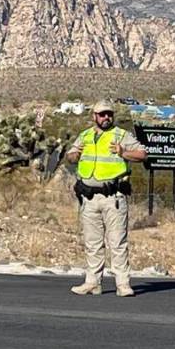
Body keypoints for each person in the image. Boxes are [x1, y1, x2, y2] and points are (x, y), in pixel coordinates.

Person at [65, 100, 147, 297]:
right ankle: (93, 282)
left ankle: (123, 284)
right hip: (89, 197)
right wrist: (74, 155)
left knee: (117, 242)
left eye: (109, 114)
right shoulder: (85, 135)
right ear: (94, 116)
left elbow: (143, 154)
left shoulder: (121, 135)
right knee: (92, 243)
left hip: (113, 197)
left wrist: (123, 152)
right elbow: (70, 155)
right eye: (102, 114)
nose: (106, 117)